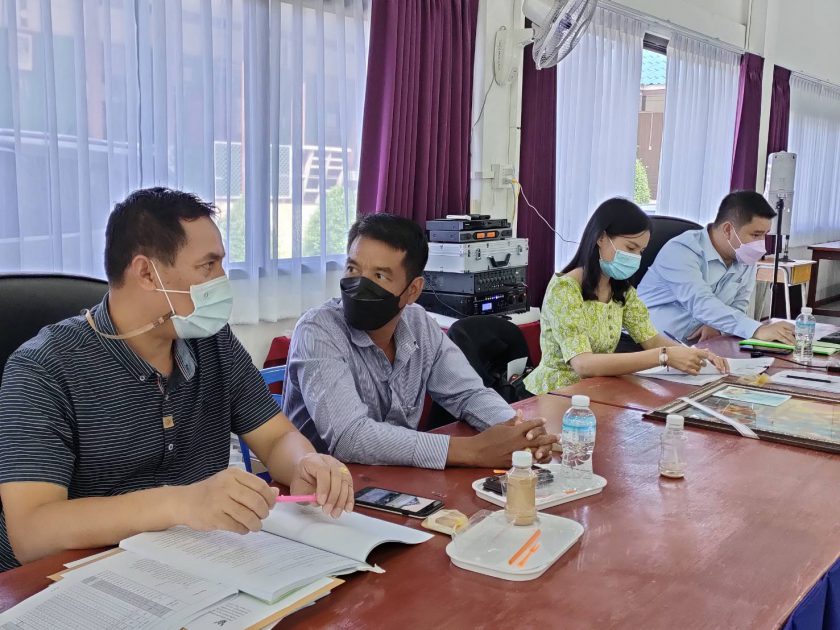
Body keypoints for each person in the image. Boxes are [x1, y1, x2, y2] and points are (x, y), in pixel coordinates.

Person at [0, 188, 353, 572]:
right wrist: (181, 502)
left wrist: (304, 463)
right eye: (208, 266)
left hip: (190, 563)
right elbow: (32, 531)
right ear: (146, 273)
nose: (222, 279)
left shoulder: (212, 341)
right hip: (78, 578)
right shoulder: (43, 369)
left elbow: (276, 437)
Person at [283, 214, 556, 470]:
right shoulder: (317, 330)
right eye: (353, 269)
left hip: (397, 479)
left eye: (379, 276)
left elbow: (467, 393)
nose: (360, 285)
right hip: (323, 489)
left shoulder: (419, 325)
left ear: (413, 290)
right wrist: (472, 451)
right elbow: (350, 437)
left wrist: (519, 432)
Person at [524, 198, 728, 396]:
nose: (636, 258)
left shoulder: (622, 291)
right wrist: (663, 356)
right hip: (556, 394)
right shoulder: (565, 289)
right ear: (601, 238)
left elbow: (651, 339)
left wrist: (697, 356)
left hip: (596, 390)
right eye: (631, 248)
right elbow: (583, 364)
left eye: (641, 251)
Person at [637, 190, 795, 345]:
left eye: (764, 235)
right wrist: (757, 329)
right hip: (647, 343)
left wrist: (718, 327)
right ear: (727, 230)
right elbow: (701, 303)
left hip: (702, 346)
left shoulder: (745, 257)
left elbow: (739, 306)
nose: (761, 244)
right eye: (755, 235)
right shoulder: (681, 251)